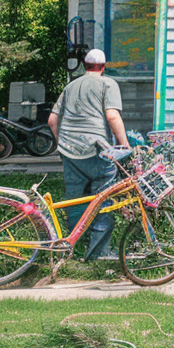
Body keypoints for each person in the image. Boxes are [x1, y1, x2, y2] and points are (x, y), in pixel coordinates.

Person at [47, 48, 129, 260]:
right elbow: (112, 116)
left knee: (74, 200)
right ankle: (98, 254)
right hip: (96, 151)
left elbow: (52, 121)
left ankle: (71, 248)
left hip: (69, 152)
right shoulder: (107, 84)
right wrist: (124, 145)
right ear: (103, 67)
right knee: (102, 200)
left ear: (84, 66)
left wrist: (62, 145)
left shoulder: (70, 85)